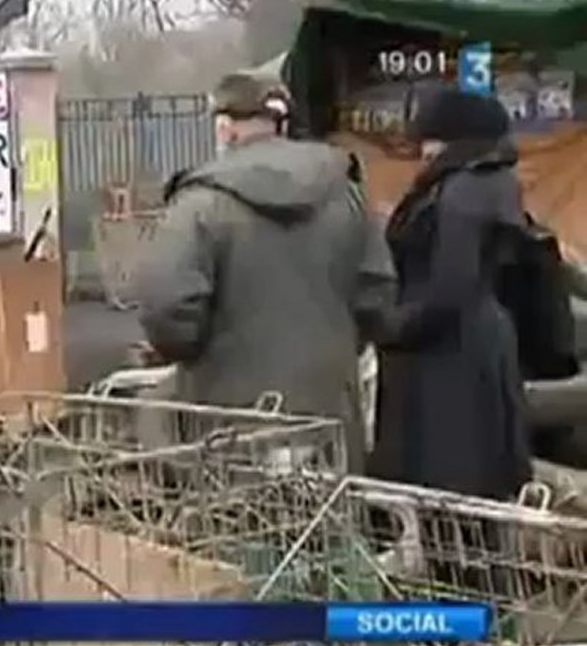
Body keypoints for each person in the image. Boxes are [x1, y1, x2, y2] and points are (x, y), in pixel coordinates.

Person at [135, 72, 396, 469]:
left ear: (224, 127)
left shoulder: (198, 203)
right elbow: (377, 293)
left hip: (230, 419)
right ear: (281, 124)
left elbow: (167, 307)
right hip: (329, 414)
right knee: (331, 506)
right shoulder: (345, 191)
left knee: (237, 508)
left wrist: (190, 352)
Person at [369, 88, 531, 500]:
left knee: (450, 483)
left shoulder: (462, 190)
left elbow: (450, 285)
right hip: (473, 346)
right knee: (479, 485)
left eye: (430, 140)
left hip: (448, 360)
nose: (423, 152)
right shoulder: (489, 182)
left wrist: (389, 326)